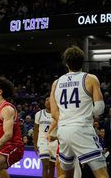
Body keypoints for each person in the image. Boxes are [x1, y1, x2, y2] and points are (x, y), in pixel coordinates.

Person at [49, 45, 109, 178]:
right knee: (102, 174)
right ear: (83, 61)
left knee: (66, 174)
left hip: (63, 131)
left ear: (66, 63)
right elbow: (99, 109)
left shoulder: (56, 83)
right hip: (82, 129)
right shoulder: (90, 79)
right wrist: (85, 114)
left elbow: (54, 114)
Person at [33, 96, 57, 178]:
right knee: (45, 165)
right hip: (42, 141)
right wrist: (35, 145)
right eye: (47, 100)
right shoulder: (39, 114)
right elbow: (35, 131)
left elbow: (62, 129)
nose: (49, 101)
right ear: (44, 102)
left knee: (52, 167)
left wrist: (56, 137)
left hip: (54, 142)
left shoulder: (58, 114)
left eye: (51, 100)